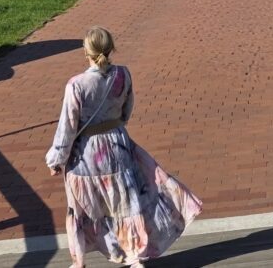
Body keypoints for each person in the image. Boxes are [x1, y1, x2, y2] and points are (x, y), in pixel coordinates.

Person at [46, 26, 202, 268]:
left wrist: (57, 158)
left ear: (85, 51)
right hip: (118, 145)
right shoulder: (123, 75)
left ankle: (79, 261)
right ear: (111, 49)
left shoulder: (76, 85)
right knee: (126, 204)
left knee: (80, 206)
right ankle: (135, 255)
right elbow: (126, 111)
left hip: (87, 154)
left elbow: (67, 126)